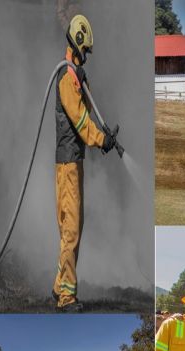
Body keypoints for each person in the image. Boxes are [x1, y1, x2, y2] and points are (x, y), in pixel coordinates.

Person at [51, 14, 118, 311]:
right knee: (71, 230)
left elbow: (84, 110)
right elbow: (79, 119)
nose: (87, 55)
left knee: (72, 226)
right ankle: (66, 297)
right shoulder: (66, 76)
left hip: (73, 162)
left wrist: (101, 135)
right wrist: (101, 140)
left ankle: (58, 286)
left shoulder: (74, 75)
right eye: (86, 50)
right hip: (67, 164)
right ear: (78, 44)